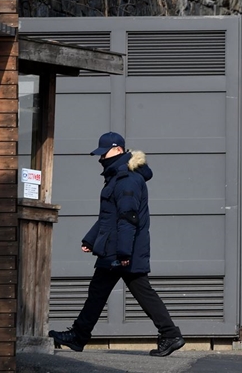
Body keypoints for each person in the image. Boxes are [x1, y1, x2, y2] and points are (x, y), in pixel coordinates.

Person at [49, 132, 185, 356]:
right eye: (100, 154)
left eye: (105, 153)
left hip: (121, 250)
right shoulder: (118, 177)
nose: (101, 158)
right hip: (114, 248)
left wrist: (123, 252)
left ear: (119, 150)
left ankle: (170, 334)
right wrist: (91, 240)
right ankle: (79, 335)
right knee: (103, 292)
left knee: (136, 292)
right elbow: (109, 217)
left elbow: (127, 218)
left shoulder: (127, 179)